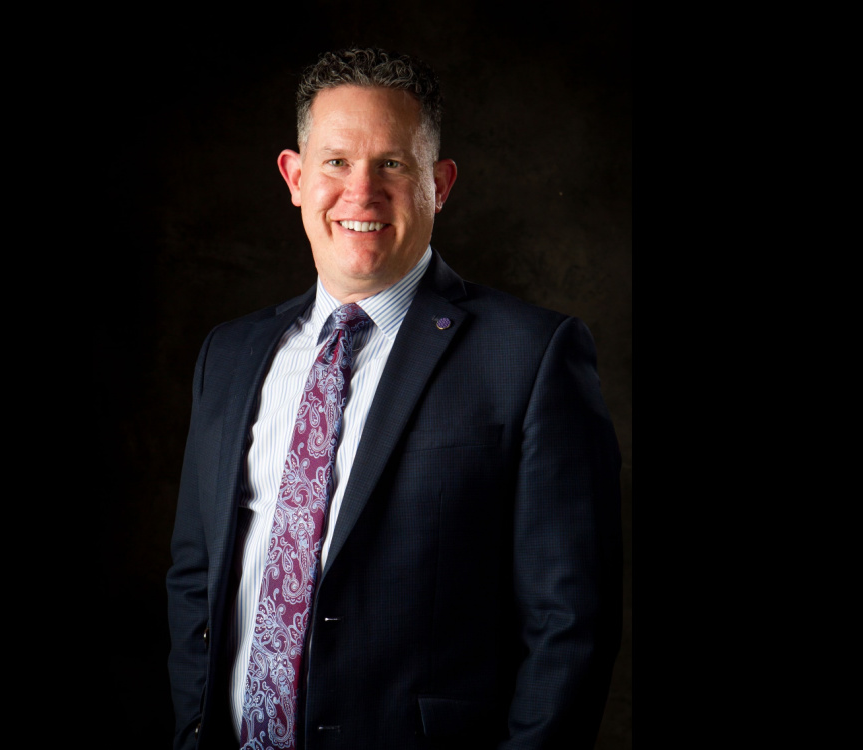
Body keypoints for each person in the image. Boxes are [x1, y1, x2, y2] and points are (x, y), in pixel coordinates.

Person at [167, 47, 622, 750]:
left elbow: (571, 626)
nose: (362, 193)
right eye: (336, 162)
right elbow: (196, 578)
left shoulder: (531, 357)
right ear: (294, 176)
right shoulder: (228, 356)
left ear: (439, 183)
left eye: (393, 164)